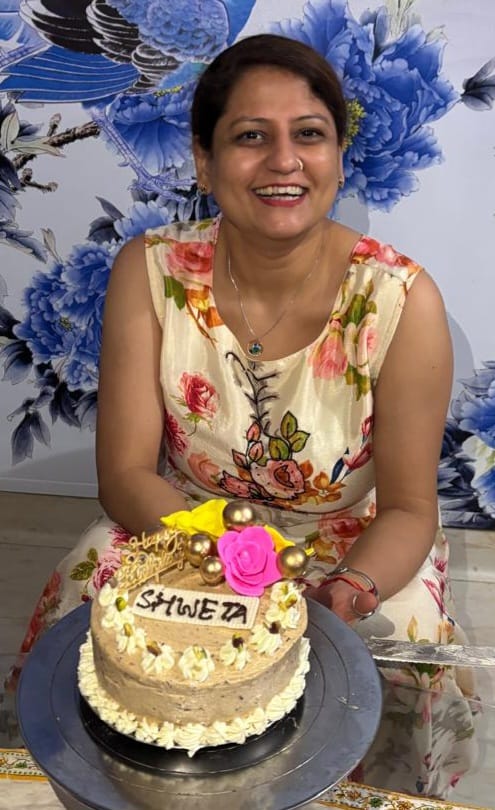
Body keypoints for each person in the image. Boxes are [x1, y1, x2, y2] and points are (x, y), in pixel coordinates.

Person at [12, 33, 476, 797]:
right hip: (185, 525)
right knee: (86, 584)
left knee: (402, 645)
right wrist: (232, 558)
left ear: (337, 157)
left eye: (309, 135)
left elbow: (407, 508)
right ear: (204, 161)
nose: (283, 161)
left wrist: (346, 590)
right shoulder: (150, 270)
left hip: (350, 541)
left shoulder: (399, 300)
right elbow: (124, 474)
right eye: (250, 137)